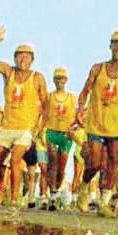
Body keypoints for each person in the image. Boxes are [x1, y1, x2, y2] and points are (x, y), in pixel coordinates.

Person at [0, 26, 47, 207]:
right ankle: (0, 191)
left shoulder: (37, 77)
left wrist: (39, 128)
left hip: (25, 129)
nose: (23, 59)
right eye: (20, 55)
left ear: (32, 60)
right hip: (8, 128)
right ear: (15, 58)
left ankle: (15, 199)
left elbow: (46, 105)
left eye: (27, 56)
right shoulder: (9, 72)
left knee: (16, 160)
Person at [77, 30, 118, 217]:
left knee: (113, 162)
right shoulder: (97, 69)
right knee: (94, 162)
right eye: (116, 43)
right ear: (110, 46)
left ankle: (104, 202)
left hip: (117, 126)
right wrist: (80, 109)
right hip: (96, 122)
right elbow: (84, 92)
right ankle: (85, 186)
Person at [43, 67, 77, 211]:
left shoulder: (72, 98)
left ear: (66, 80)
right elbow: (43, 114)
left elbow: (78, 117)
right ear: (54, 80)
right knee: (52, 162)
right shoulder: (49, 97)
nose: (60, 82)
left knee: (61, 168)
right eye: (57, 79)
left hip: (66, 135)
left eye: (62, 79)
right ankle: (52, 195)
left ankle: (56, 190)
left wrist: (73, 129)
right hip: (52, 132)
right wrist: (40, 130)